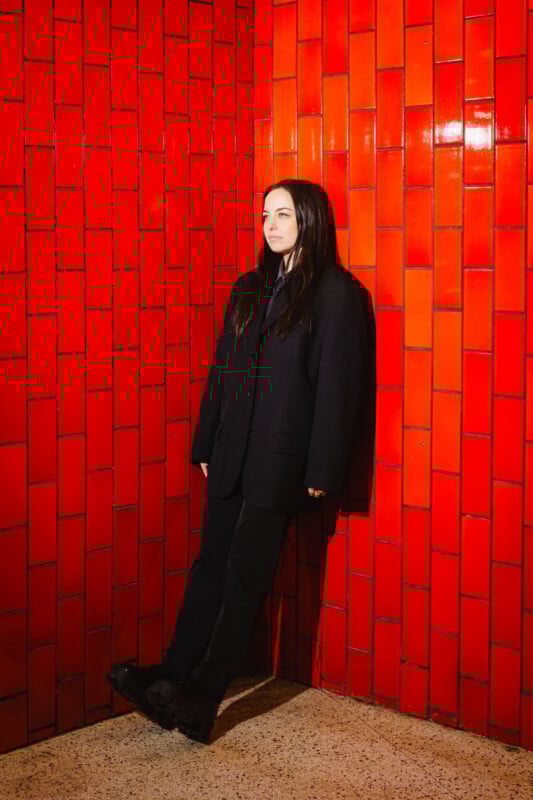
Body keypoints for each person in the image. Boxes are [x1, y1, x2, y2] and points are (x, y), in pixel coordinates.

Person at [107, 179, 367, 744]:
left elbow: (338, 391)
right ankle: (174, 673)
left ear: (311, 220)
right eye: (266, 214)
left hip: (281, 460)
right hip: (230, 454)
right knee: (210, 567)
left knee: (245, 576)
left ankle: (202, 696)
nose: (271, 224)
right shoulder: (250, 289)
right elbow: (222, 371)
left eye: (284, 214)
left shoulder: (337, 295)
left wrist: (323, 471)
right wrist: (205, 443)